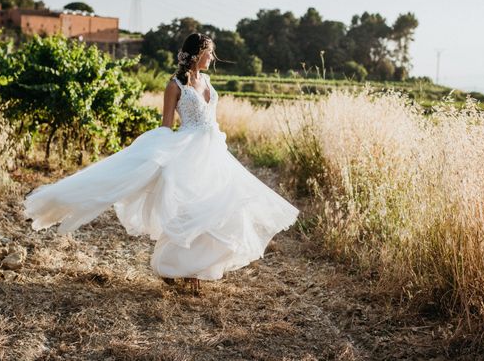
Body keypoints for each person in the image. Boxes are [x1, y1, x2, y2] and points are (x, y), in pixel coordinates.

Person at [23, 32, 299, 294]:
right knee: (190, 209)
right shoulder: (174, 86)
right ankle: (180, 268)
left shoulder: (208, 82)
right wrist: (157, 155)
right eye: (209, 53)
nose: (212, 59)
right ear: (197, 54)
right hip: (187, 150)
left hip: (213, 150)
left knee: (215, 207)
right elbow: (167, 125)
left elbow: (211, 118)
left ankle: (195, 268)